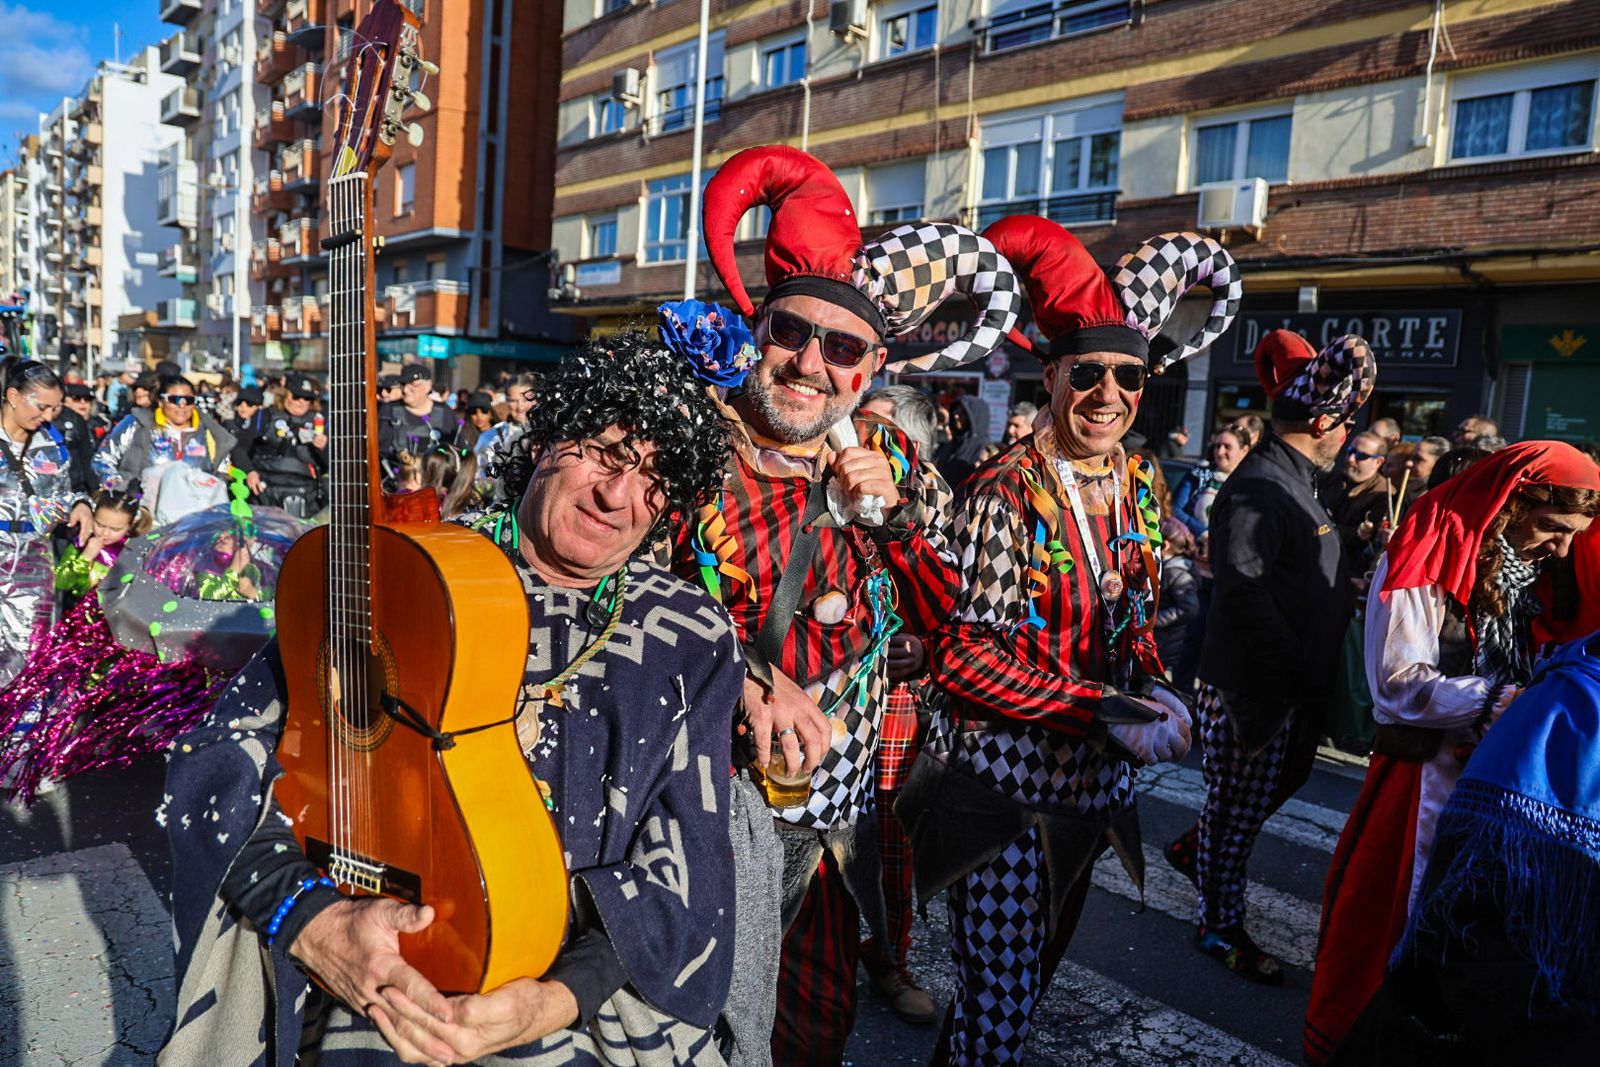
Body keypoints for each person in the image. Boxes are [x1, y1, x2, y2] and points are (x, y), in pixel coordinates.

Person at [161, 333, 749, 1066]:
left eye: (654, 477)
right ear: (547, 440)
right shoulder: (404, 570)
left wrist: (552, 998)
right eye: (604, 450)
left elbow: (687, 868)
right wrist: (314, 922)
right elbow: (220, 760)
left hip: (585, 1004)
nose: (617, 495)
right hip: (364, 964)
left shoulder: (689, 636)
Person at [690, 144, 1020, 1065]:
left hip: (838, 811)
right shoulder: (690, 445)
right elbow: (620, 595)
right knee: (699, 1020)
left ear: (871, 367)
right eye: (791, 332)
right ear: (759, 328)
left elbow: (952, 609)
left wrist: (898, 517)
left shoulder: (887, 457)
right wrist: (749, 679)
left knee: (812, 1024)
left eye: (841, 349)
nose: (808, 363)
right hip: (700, 806)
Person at [901, 214, 1242, 1064]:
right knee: (1003, 1004)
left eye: (1129, 375)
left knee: (1019, 991)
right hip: (1004, 800)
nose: (1109, 393)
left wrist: (1157, 683)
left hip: (1094, 795)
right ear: (1051, 377)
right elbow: (964, 657)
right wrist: (1104, 705)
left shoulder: (1135, 478)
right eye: (1087, 372)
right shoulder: (1004, 491)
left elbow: (1138, 614)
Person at [1302, 440, 1600, 1063]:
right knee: (1394, 928)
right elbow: (1397, 686)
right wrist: (1504, 701)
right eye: (1554, 528)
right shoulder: (1424, 552)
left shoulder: (1516, 570)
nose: (1562, 548)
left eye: (1575, 534)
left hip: (1485, 783)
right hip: (1420, 787)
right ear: (1513, 502)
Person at [1168, 327, 1377, 985]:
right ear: (1321, 420)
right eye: (1346, 422)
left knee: (1254, 801)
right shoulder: (1259, 486)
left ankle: (1195, 848)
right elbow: (1243, 597)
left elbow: (1286, 576)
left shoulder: (1298, 479)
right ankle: (1217, 924)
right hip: (1253, 693)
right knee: (1235, 818)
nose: (1349, 433)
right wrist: (1297, 666)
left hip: (1286, 689)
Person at [1332, 633, 1600, 1064]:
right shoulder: (1566, 699)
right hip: (1506, 970)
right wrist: (1498, 698)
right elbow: (1398, 683)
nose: (1553, 559)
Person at [857, 383, 944, 1025]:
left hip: (896, 700)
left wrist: (920, 643)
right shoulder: (825, 476)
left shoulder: (935, 499)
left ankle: (889, 959)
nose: (862, 437)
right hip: (823, 686)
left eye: (880, 428)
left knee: (892, 834)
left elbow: (959, 611)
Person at [0, 358, 94, 688]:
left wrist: (79, 505)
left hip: (33, 561)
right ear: (13, 396)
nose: (49, 416)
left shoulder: (52, 444)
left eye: (55, 408)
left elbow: (67, 491)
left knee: (29, 652)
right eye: (42, 407)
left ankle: (17, 734)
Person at [93, 372, 237, 521]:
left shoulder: (208, 432)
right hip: (143, 518)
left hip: (193, 521)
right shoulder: (137, 424)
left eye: (188, 400)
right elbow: (102, 460)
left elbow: (222, 471)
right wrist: (120, 487)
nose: (182, 405)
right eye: (174, 399)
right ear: (161, 401)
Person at [232, 374, 328, 520]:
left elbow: (333, 464)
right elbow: (238, 448)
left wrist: (323, 448)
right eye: (296, 396)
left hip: (306, 497)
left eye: (307, 398)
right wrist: (249, 471)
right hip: (265, 493)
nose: (301, 402)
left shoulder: (320, 421)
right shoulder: (264, 416)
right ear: (284, 395)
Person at [1321, 430, 1391, 571]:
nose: (1351, 458)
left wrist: (1321, 528)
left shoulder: (1384, 494)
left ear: (1378, 461)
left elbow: (1364, 539)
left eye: (1361, 455)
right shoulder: (1329, 479)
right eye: (1350, 450)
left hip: (1347, 568)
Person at [377, 364, 454, 483]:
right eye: (403, 385)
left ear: (428, 386)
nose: (406, 390)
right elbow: (378, 454)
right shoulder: (388, 411)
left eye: (413, 384)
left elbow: (455, 452)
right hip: (398, 486)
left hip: (436, 487)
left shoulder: (445, 412)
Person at [1171, 426, 1249, 539]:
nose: (1220, 452)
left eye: (1227, 447)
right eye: (1217, 446)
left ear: (1244, 450)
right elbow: (1176, 509)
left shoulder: (1251, 483)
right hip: (1195, 549)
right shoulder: (1198, 474)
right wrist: (1202, 533)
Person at [1154, 517, 1200, 677]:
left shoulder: (1177, 573)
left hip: (1166, 643)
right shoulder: (1169, 568)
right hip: (1162, 641)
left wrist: (1155, 620)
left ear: (1165, 545)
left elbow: (1189, 609)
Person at [933, 393, 993, 490]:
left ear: (974, 417)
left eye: (962, 413)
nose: (956, 416)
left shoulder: (984, 449)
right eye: (956, 411)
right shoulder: (951, 445)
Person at [54, 381, 99, 495]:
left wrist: (96, 491)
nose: (83, 403)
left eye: (87, 399)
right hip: (58, 486)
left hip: (80, 489)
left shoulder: (102, 424)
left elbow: (88, 459)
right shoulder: (49, 420)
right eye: (77, 398)